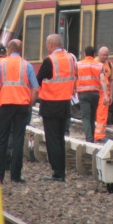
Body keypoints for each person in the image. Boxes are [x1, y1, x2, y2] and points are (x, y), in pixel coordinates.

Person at [0, 39, 38, 184]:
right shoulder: (26, 65)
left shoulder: (1, 64)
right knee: (18, 139)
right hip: (22, 106)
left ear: (9, 50)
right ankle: (16, 175)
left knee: (2, 139)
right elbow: (35, 89)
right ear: (20, 50)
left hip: (5, 105)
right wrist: (29, 105)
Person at [36, 34, 77, 182]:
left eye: (47, 45)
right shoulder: (71, 58)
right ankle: (61, 171)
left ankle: (58, 173)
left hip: (51, 104)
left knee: (52, 139)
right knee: (60, 139)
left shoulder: (50, 61)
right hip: (65, 104)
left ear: (51, 45)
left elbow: (37, 80)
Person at [76, 46, 107, 142]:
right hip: (95, 94)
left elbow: (74, 77)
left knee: (86, 117)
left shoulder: (78, 64)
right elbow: (103, 80)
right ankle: (92, 138)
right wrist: (105, 95)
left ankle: (89, 138)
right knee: (92, 117)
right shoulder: (99, 66)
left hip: (83, 94)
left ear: (84, 54)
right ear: (94, 55)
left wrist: (72, 90)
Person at [93, 46, 113, 142]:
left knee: (103, 114)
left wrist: (111, 95)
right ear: (99, 54)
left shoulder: (109, 65)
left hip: (105, 94)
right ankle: (96, 134)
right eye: (103, 55)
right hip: (95, 91)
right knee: (94, 113)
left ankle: (99, 135)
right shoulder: (94, 63)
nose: (105, 57)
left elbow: (111, 81)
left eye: (107, 55)